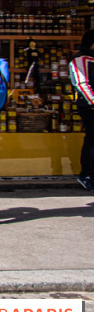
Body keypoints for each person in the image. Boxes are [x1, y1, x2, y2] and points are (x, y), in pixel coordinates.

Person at [69, 29, 94, 193]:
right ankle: (87, 175)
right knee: (92, 140)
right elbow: (81, 83)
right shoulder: (82, 60)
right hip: (90, 107)